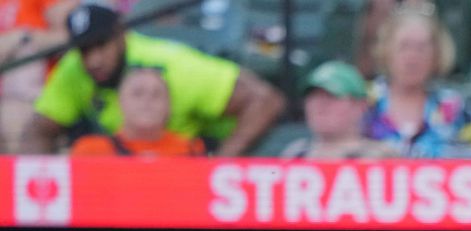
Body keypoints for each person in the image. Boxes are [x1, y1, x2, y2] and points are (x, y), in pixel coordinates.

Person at [21, 3, 284, 156]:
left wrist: (219, 168)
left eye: (101, 45)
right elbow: (38, 130)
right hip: (120, 166)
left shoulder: (174, 65)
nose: (94, 60)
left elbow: (266, 100)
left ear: (120, 35)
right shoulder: (74, 69)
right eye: (85, 49)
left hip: (187, 159)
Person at [363, 1, 471, 158]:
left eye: (421, 48)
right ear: (386, 50)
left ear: (437, 54)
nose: (413, 57)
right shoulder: (363, 102)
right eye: (404, 46)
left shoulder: (451, 105)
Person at [69, 66, 206, 156]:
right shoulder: (90, 152)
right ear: (119, 102)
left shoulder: (191, 151)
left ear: (169, 106)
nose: (147, 100)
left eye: (157, 94)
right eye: (137, 93)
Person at [282, 61, 395, 159]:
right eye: (313, 97)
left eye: (331, 97)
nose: (320, 104)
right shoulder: (295, 154)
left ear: (360, 106)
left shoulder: (380, 156)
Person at [0, 0, 72, 152]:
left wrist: (23, 37)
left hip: (38, 96)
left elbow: (71, 37)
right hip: (9, 97)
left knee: (14, 116)